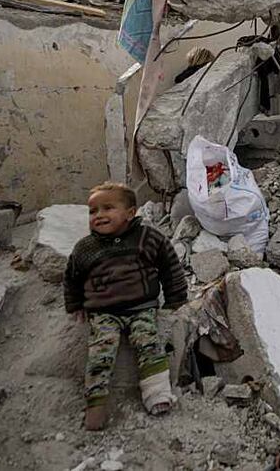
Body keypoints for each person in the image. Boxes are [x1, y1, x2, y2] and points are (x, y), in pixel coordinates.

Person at [63, 182, 188, 431]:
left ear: (130, 213)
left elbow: (169, 265)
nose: (99, 215)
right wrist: (75, 304)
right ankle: (95, 405)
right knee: (100, 353)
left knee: (148, 344)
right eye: (93, 211)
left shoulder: (147, 238)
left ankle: (157, 394)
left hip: (141, 308)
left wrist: (176, 298)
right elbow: (72, 277)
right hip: (103, 313)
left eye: (108, 208)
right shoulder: (85, 248)